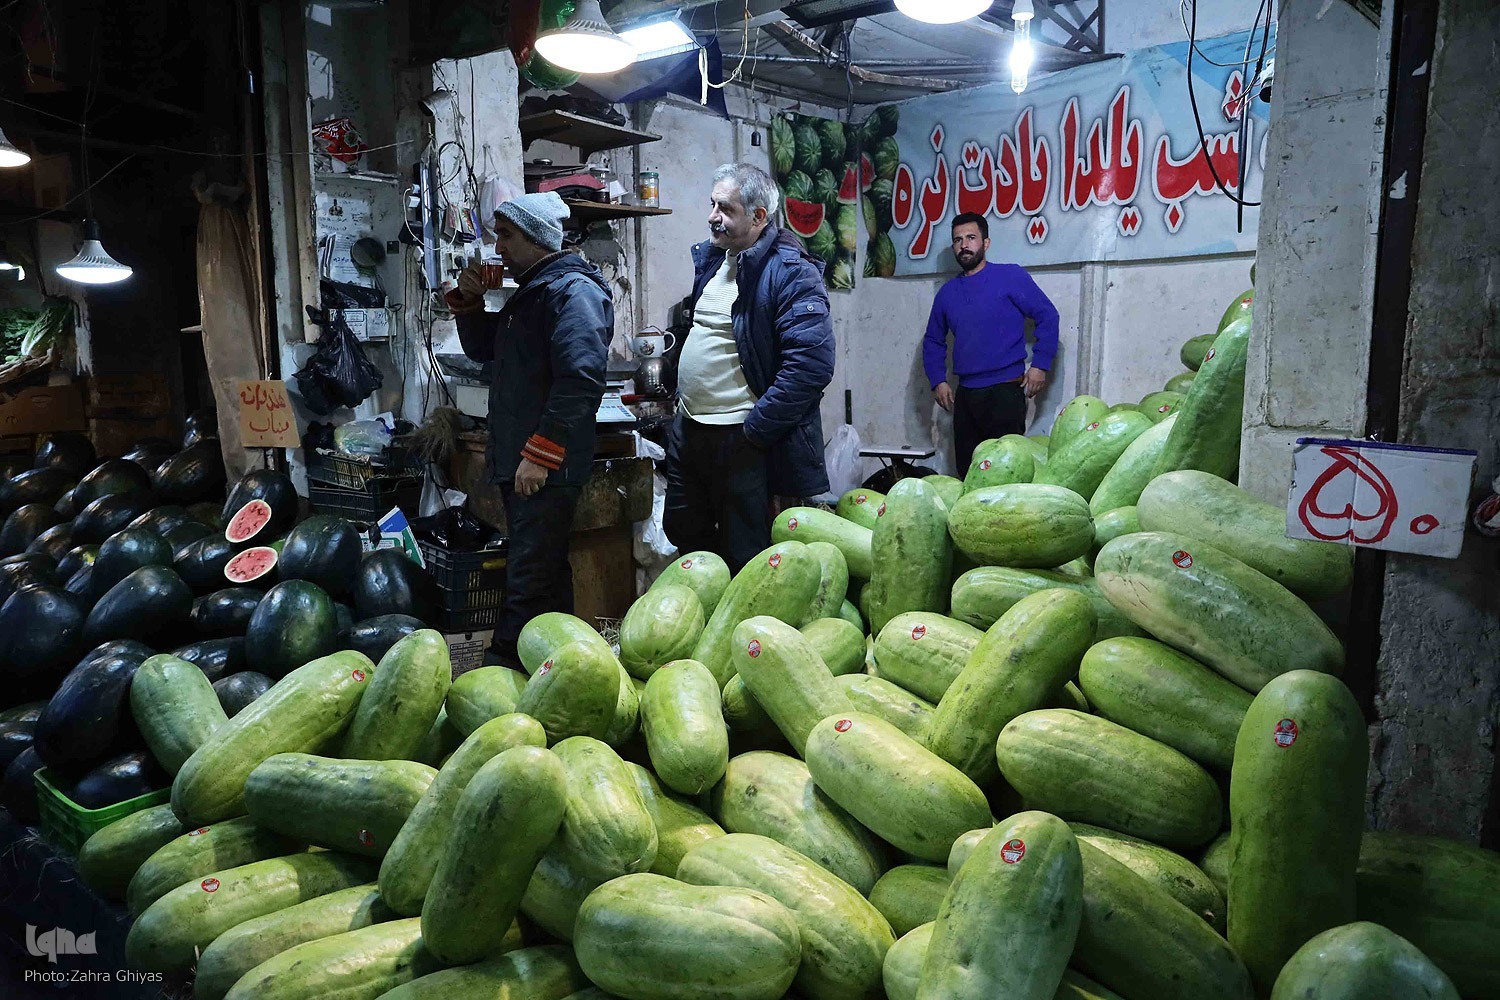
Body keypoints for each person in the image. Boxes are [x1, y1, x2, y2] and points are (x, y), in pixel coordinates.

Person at [449, 191, 613, 667]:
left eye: (506, 235)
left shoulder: (572, 292)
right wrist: (470, 304)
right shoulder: (534, 292)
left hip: (545, 468)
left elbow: (581, 379)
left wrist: (541, 454)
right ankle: (563, 667)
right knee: (544, 576)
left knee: (528, 580)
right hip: (525, 461)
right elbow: (486, 350)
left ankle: (502, 673)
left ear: (537, 238)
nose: (498, 247)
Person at [664, 162, 835, 573]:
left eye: (725, 208)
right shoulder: (714, 261)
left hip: (742, 438)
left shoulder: (791, 272)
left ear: (759, 217)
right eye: (712, 204)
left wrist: (754, 431)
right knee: (688, 541)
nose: (712, 216)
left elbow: (810, 365)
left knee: (746, 557)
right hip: (691, 431)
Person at [923, 212, 1060, 476]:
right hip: (966, 396)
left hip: (1005, 393)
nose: (964, 245)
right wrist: (938, 380)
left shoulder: (1010, 277)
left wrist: (1040, 365)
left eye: (971, 238)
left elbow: (1048, 316)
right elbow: (933, 340)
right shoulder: (947, 294)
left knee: (1007, 472)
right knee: (968, 472)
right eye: (958, 240)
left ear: (986, 243)